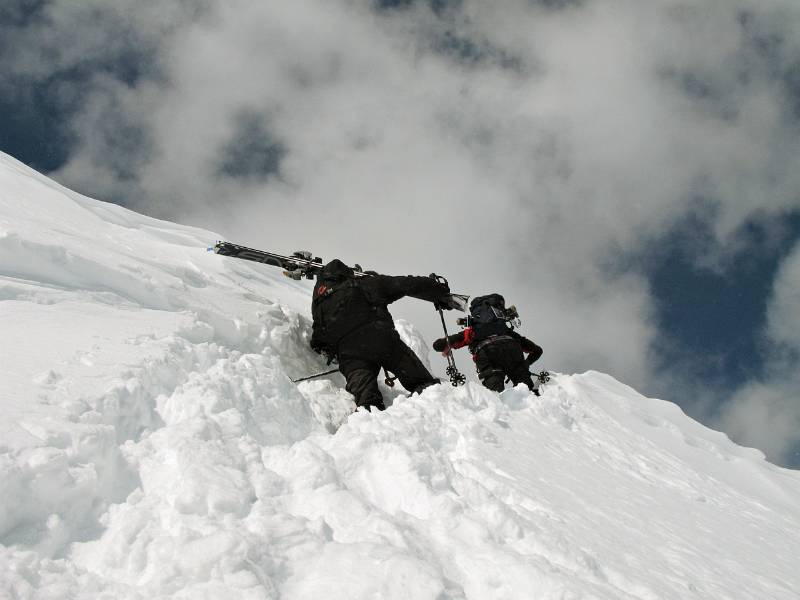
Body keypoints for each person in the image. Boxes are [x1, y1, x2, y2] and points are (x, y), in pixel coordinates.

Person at [309, 259, 455, 411]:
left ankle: (369, 423)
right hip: (382, 342)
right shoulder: (364, 283)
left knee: (367, 404)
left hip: (351, 357)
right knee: (425, 387)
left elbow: (318, 337)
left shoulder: (319, 305)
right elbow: (406, 284)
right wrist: (438, 290)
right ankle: (433, 413)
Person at [432, 293, 543, 395]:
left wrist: (445, 346)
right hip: (512, 348)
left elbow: (438, 345)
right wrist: (526, 364)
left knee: (496, 395)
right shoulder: (507, 331)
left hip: (487, 354)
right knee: (527, 392)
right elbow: (537, 351)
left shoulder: (473, 331)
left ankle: (500, 410)